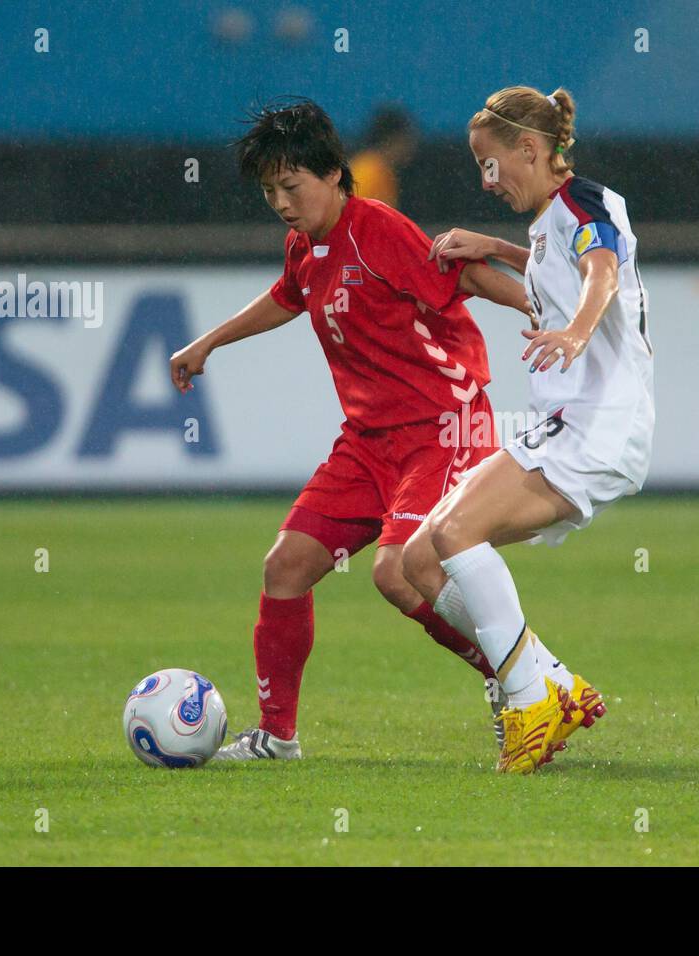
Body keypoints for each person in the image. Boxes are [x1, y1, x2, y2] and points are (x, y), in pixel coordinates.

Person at [169, 99, 534, 760]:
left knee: (397, 575)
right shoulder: (305, 244)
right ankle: (277, 738)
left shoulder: (379, 230)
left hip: (441, 427)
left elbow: (468, 274)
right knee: (285, 567)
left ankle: (523, 685)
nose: (281, 201)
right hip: (368, 442)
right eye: (269, 190)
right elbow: (290, 294)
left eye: (292, 185)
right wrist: (211, 341)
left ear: (334, 174)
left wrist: (548, 311)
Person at [400, 86, 655, 775]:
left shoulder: (586, 204)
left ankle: (529, 700)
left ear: (531, 149)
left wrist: (575, 331)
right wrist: (494, 249)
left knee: (455, 535)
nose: (488, 181)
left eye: (492, 165)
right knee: (417, 563)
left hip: (595, 425)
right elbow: (558, 267)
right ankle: (551, 682)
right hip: (565, 423)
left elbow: (599, 268)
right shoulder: (550, 223)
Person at [349, 105, 417, 209]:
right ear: (394, 139)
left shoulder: (382, 170)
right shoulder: (370, 173)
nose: (412, 145)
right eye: (407, 139)